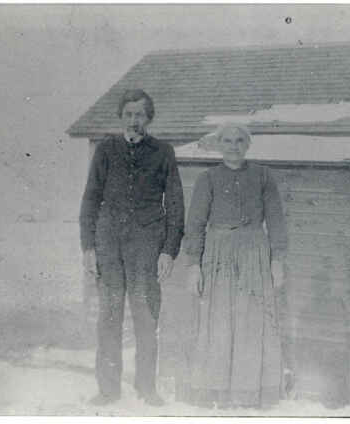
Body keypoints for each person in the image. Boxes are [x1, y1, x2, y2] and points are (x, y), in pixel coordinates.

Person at [79, 89, 185, 407]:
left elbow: (176, 204)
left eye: (139, 114)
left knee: (146, 318)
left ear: (148, 117)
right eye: (128, 114)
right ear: (121, 116)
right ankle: (108, 390)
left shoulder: (163, 152)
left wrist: (168, 250)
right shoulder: (105, 150)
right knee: (109, 318)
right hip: (109, 246)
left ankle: (146, 388)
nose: (134, 120)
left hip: (146, 248)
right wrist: (88, 247)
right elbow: (90, 199)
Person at [183, 123, 288, 408]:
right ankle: (215, 391)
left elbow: (276, 221)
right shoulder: (208, 179)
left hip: (254, 253)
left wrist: (277, 261)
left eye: (239, 140)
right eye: (227, 141)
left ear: (247, 144)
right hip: (218, 255)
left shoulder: (263, 176)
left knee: (251, 321)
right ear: (219, 145)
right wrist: (193, 265)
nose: (233, 146)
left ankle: (247, 391)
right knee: (219, 322)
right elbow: (194, 224)